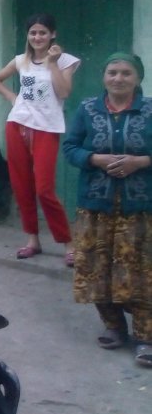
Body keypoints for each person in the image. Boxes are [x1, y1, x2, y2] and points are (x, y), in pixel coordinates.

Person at [62, 53, 152, 370]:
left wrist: (140, 162)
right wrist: (95, 159)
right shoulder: (88, 109)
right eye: (112, 72)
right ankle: (113, 326)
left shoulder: (150, 110)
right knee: (97, 267)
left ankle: (146, 336)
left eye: (126, 73)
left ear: (138, 78)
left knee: (141, 269)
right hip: (95, 205)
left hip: (139, 207)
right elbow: (70, 147)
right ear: (104, 77)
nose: (118, 78)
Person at [0, 13, 80, 264]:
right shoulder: (21, 60)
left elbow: (64, 92)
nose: (37, 37)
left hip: (47, 128)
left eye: (42, 32)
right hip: (17, 125)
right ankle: (32, 240)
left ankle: (68, 244)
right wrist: (12, 98)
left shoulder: (66, 61)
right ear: (28, 35)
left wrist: (52, 63)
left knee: (44, 189)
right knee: (22, 185)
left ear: (52, 34)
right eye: (33, 32)